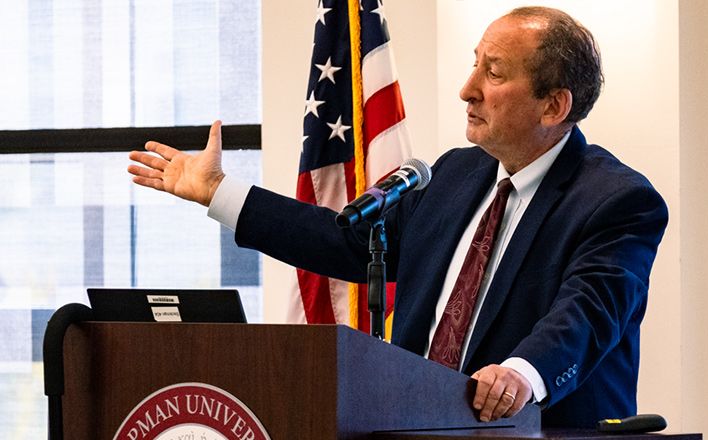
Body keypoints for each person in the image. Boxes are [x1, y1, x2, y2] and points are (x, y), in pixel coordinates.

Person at [128, 6, 668, 428]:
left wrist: (520, 375)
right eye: (474, 62)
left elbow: (588, 313)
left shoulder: (617, 201)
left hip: (539, 430)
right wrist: (217, 192)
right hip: (418, 428)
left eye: (494, 72)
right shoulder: (456, 174)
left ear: (554, 106)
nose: (468, 88)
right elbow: (343, 242)